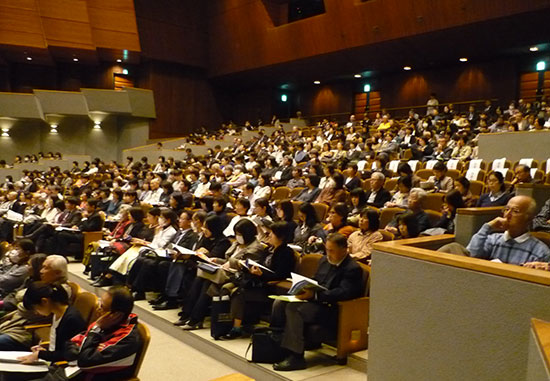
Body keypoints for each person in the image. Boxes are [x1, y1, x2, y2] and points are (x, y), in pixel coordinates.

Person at [271, 233, 363, 371]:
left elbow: (344, 293)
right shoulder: (325, 261)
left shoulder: (352, 269)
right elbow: (316, 279)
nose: (328, 254)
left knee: (294, 309)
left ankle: (296, 357)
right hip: (316, 302)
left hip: (332, 309)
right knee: (279, 303)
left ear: (344, 250)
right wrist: (303, 287)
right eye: (327, 250)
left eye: (332, 251)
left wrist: (315, 296)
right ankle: (278, 345)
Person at [222, 222, 296, 340]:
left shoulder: (286, 253)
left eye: (272, 234)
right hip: (257, 281)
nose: (269, 236)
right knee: (228, 288)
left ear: (280, 237)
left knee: (239, 293)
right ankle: (229, 324)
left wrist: (262, 274)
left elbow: (281, 274)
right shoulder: (269, 249)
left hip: (268, 286)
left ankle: (236, 328)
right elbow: (261, 265)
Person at [16, 282, 87, 365]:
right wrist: (44, 350)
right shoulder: (57, 313)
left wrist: (41, 355)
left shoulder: (71, 319)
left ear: (44, 301)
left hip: (63, 367)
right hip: (53, 361)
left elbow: (69, 354)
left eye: (35, 309)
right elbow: (58, 347)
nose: (36, 313)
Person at [467, 196, 550, 265]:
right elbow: (472, 256)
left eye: (515, 211)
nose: (507, 215)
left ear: (529, 218)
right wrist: (487, 227)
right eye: (506, 209)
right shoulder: (492, 240)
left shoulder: (540, 251)